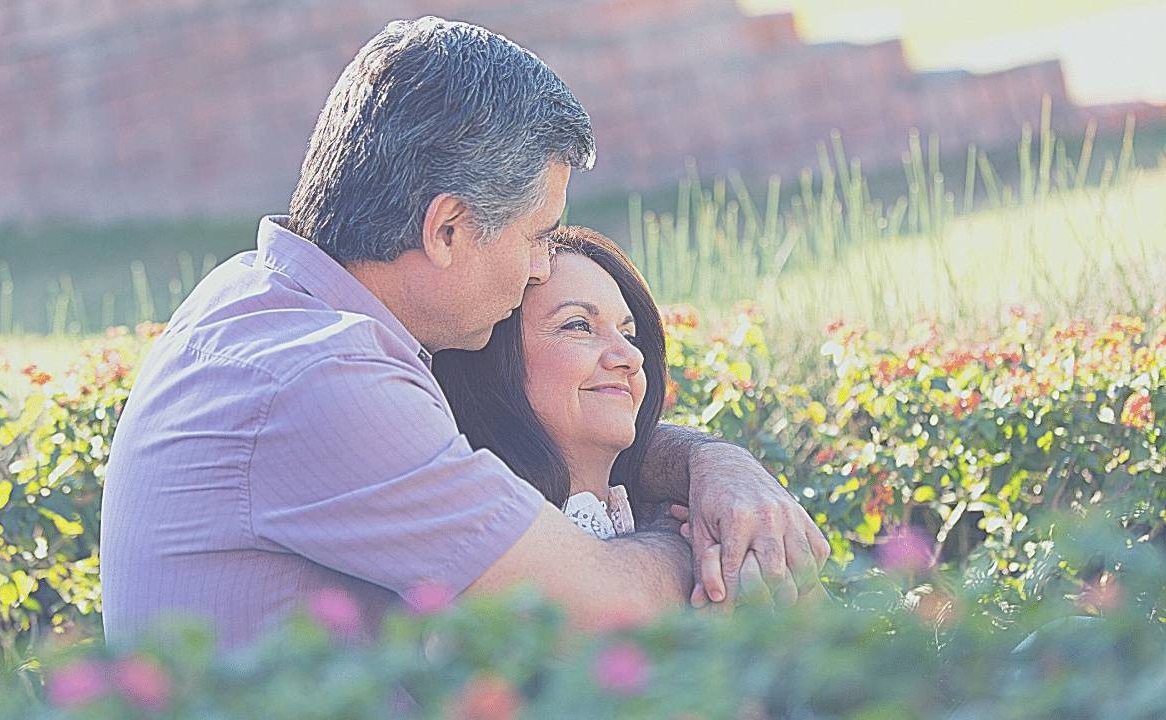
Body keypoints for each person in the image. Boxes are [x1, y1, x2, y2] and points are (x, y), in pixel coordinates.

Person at [99, 17, 828, 653]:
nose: (541, 265)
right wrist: (702, 543)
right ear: (446, 229)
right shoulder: (321, 377)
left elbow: (543, 427)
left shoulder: (265, 302)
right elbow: (601, 608)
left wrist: (711, 464)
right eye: (536, 236)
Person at [433, 226, 800, 605]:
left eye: (630, 335)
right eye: (578, 325)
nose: (630, 356)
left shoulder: (692, 519)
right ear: (490, 359)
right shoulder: (467, 542)